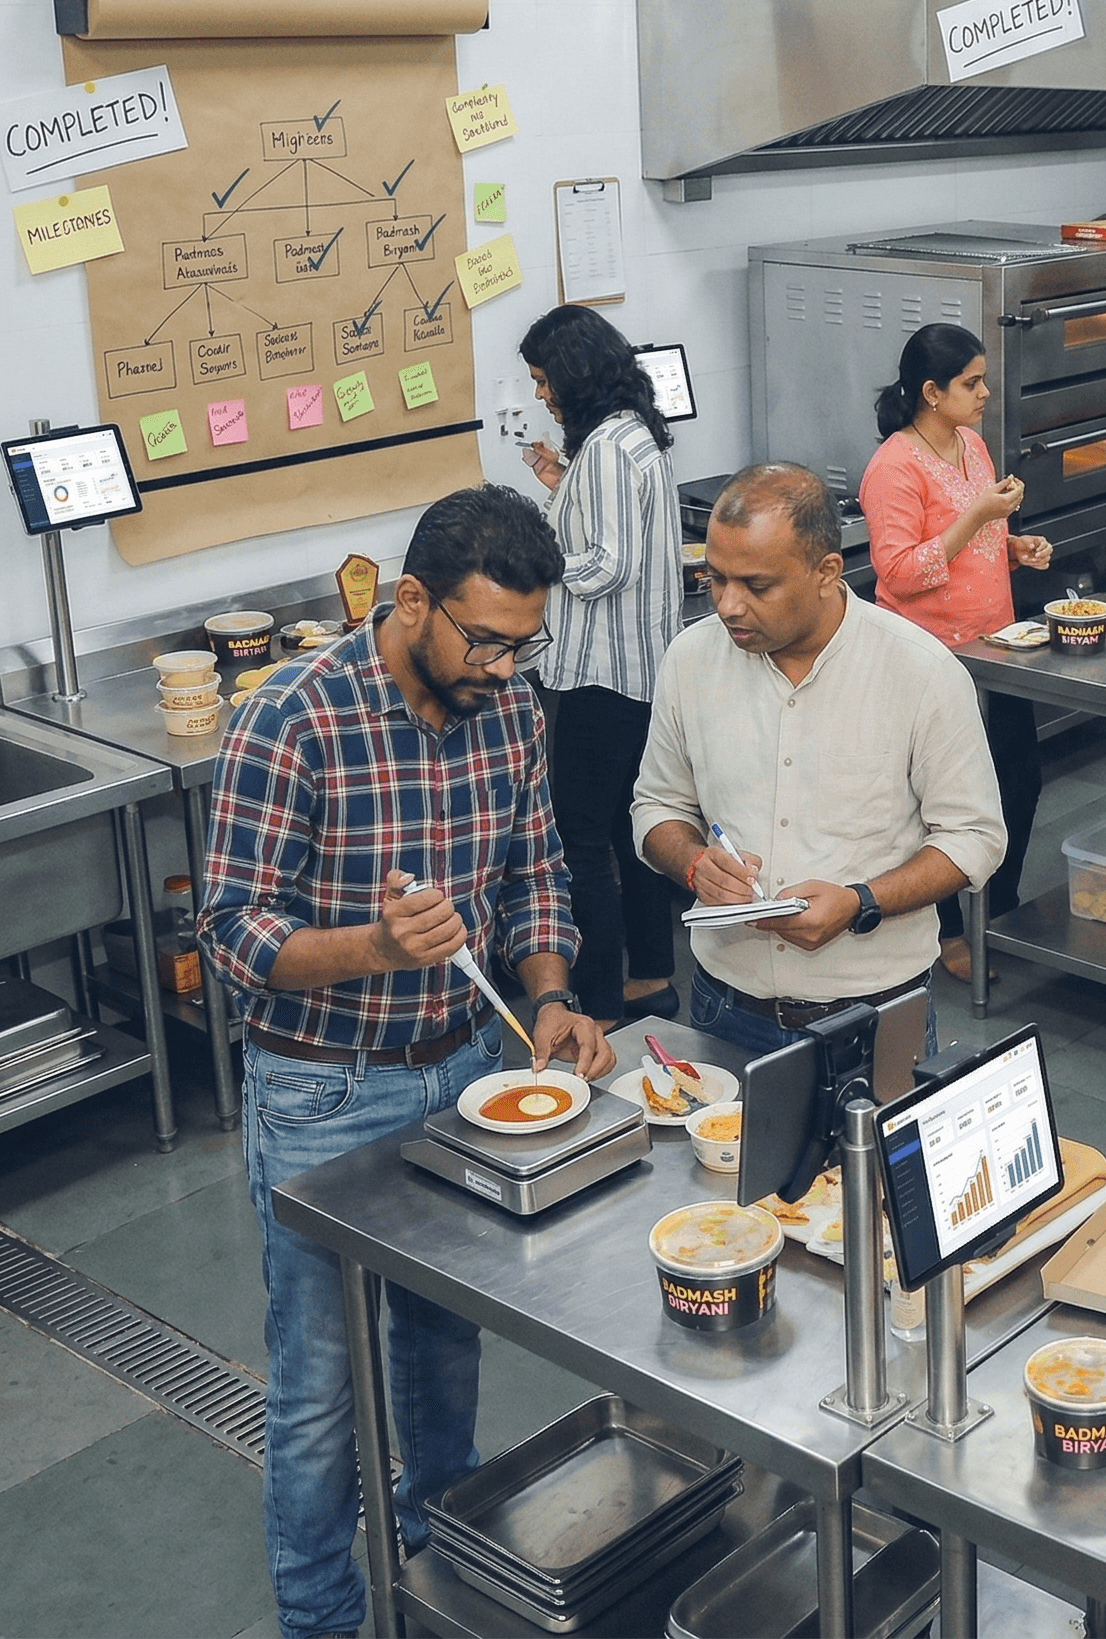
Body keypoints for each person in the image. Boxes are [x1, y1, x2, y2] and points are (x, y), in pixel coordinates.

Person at [200, 486, 615, 1639]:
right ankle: (324, 1611)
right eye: (483, 639)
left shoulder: (513, 709)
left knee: (440, 1341)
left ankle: (437, 1554)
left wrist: (546, 995)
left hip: (468, 1068)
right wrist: (375, 945)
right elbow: (233, 931)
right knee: (320, 1386)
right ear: (411, 597)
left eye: (523, 643)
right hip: (325, 1088)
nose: (502, 665)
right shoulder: (294, 716)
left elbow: (535, 873)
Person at [631, 464, 1005, 1058]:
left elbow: (975, 837)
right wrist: (694, 864)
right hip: (726, 1003)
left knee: (877, 1158)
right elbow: (657, 805)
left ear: (827, 571)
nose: (728, 606)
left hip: (875, 1013)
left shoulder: (921, 672)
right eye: (715, 580)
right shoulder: (690, 660)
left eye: (756, 586)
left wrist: (862, 901)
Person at [859, 325, 1052, 982]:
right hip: (931, 659)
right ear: (931, 393)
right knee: (940, 804)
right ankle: (947, 934)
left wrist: (1013, 546)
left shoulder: (971, 445)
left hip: (994, 645)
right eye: (972, 383)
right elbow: (898, 570)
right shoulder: (894, 466)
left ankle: (998, 912)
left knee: (1018, 779)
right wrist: (977, 522)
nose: (985, 393)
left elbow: (979, 535)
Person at [519, 304, 689, 1028]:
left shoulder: (609, 450)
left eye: (541, 379)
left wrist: (535, 560)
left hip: (599, 676)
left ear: (570, 373)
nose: (538, 394)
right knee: (632, 828)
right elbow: (617, 534)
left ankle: (597, 1001)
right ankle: (650, 975)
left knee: (581, 842)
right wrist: (564, 486)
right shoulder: (630, 435)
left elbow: (608, 565)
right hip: (642, 671)